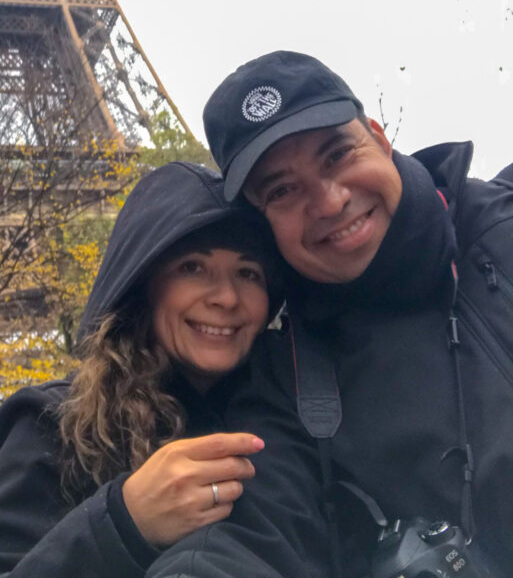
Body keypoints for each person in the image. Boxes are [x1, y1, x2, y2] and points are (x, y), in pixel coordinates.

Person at [149, 50, 513, 578]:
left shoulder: (501, 223)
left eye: (337, 154)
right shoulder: (288, 383)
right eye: (282, 189)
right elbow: (256, 533)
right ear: (263, 223)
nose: (328, 201)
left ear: (379, 138)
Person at [0, 161, 327, 578]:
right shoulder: (53, 423)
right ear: (144, 284)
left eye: (248, 273)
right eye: (193, 267)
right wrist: (123, 523)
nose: (226, 297)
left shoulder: (304, 413)